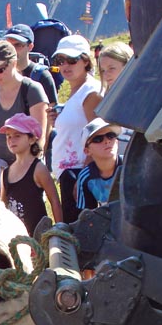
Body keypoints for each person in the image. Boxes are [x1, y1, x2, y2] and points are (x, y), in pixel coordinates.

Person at [48, 34, 103, 223]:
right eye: (60, 60)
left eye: (72, 60)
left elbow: (98, 135)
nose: (65, 65)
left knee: (80, 233)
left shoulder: (91, 92)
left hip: (81, 173)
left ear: (86, 61)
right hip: (71, 173)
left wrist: (84, 178)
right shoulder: (78, 91)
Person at [0, 40, 48, 165]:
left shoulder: (32, 90)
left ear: (14, 63)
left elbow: (39, 137)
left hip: (25, 166)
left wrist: (24, 169)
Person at [0, 113, 63, 236]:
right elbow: (2, 206)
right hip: (15, 237)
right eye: (8, 136)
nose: (11, 140)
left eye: (17, 136)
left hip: (39, 235)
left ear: (32, 139)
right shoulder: (5, 173)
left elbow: (54, 200)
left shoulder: (39, 169)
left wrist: (60, 229)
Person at [3, 24, 58, 106]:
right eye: (9, 45)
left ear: (30, 46)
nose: (12, 50)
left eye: (17, 45)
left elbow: (52, 111)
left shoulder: (42, 76)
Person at [76, 117, 123, 210]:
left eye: (110, 135)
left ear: (117, 142)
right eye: (98, 139)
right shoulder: (85, 177)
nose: (107, 141)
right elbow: (87, 215)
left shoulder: (131, 166)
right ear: (87, 151)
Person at [98, 41, 134, 157]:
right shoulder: (108, 99)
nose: (106, 74)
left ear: (128, 65)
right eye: (103, 70)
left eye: (111, 68)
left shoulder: (140, 97)